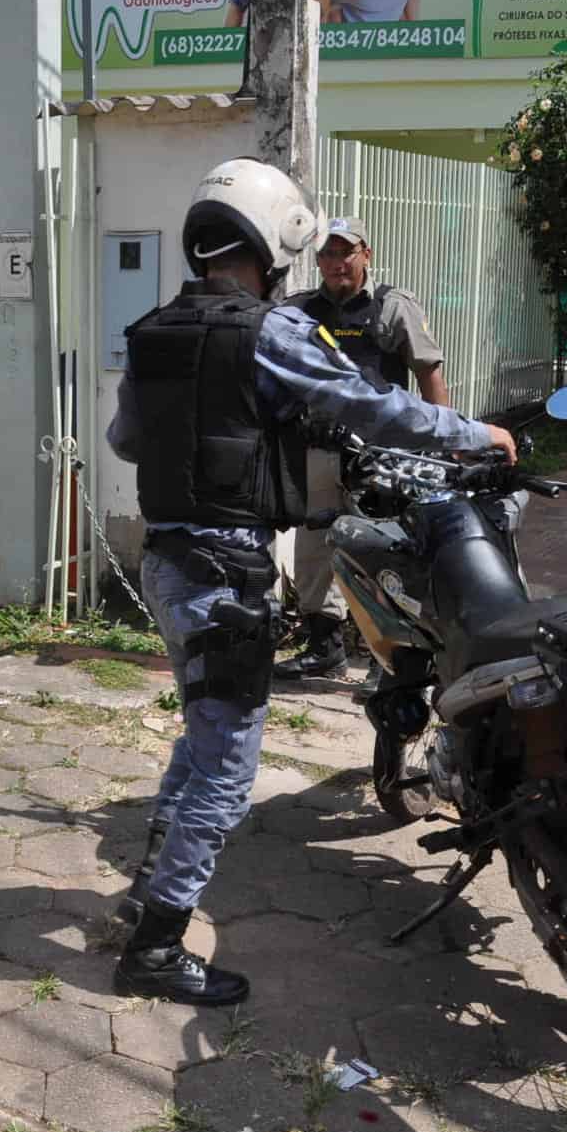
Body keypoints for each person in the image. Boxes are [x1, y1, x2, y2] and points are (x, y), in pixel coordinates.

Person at [106, 157, 515, 1005]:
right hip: (225, 575)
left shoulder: (151, 330)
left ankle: (148, 888)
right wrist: (467, 432)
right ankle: (153, 945)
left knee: (198, 734)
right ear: (278, 241)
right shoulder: (269, 331)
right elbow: (371, 403)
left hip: (166, 566)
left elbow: (124, 442)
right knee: (225, 764)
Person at [275, 214, 452, 680]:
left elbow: (429, 374)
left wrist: (441, 443)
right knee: (315, 549)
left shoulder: (393, 307)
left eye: (345, 252)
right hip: (318, 450)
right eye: (327, 254)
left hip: (379, 456)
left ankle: (389, 656)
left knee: (384, 549)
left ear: (365, 255)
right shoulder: (301, 310)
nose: (336, 263)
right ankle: (325, 647)